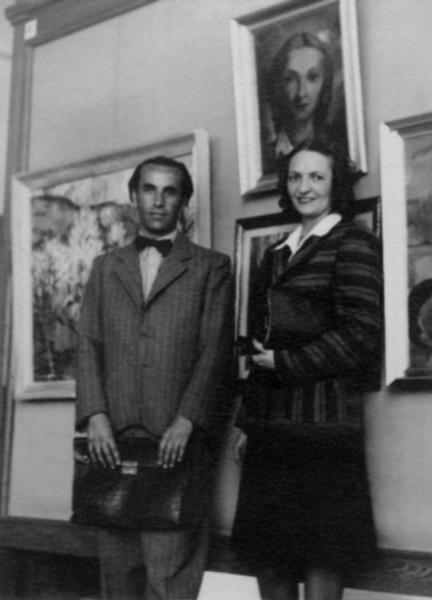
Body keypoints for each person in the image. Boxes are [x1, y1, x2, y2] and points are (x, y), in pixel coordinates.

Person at [75, 155, 233, 600]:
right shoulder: (105, 267)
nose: (158, 201)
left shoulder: (211, 267)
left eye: (170, 191)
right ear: (133, 196)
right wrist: (95, 416)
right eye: (149, 189)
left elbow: (216, 351)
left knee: (170, 581)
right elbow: (88, 344)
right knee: (118, 583)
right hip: (112, 444)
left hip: (175, 446)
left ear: (184, 201)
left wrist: (187, 420)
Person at [231, 139, 382, 600]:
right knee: (270, 559)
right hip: (270, 431)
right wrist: (247, 423)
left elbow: (362, 335)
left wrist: (287, 363)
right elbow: (262, 342)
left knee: (322, 556)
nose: (304, 187)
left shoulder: (354, 242)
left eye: (316, 176)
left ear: (336, 184)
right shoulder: (276, 253)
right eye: (295, 177)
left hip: (324, 430)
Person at [264, 32, 347, 165]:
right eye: (290, 79)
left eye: (312, 77)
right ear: (279, 86)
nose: (301, 93)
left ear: (325, 85)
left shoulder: (338, 148)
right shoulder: (266, 156)